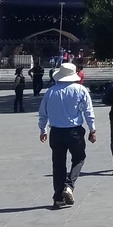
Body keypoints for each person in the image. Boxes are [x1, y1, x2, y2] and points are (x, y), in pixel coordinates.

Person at [37, 62, 97, 208]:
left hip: (56, 132)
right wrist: (92, 129)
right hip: (74, 131)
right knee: (79, 157)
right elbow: (88, 112)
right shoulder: (80, 90)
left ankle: (58, 197)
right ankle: (69, 185)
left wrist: (43, 130)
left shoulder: (50, 92)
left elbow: (43, 113)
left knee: (58, 164)